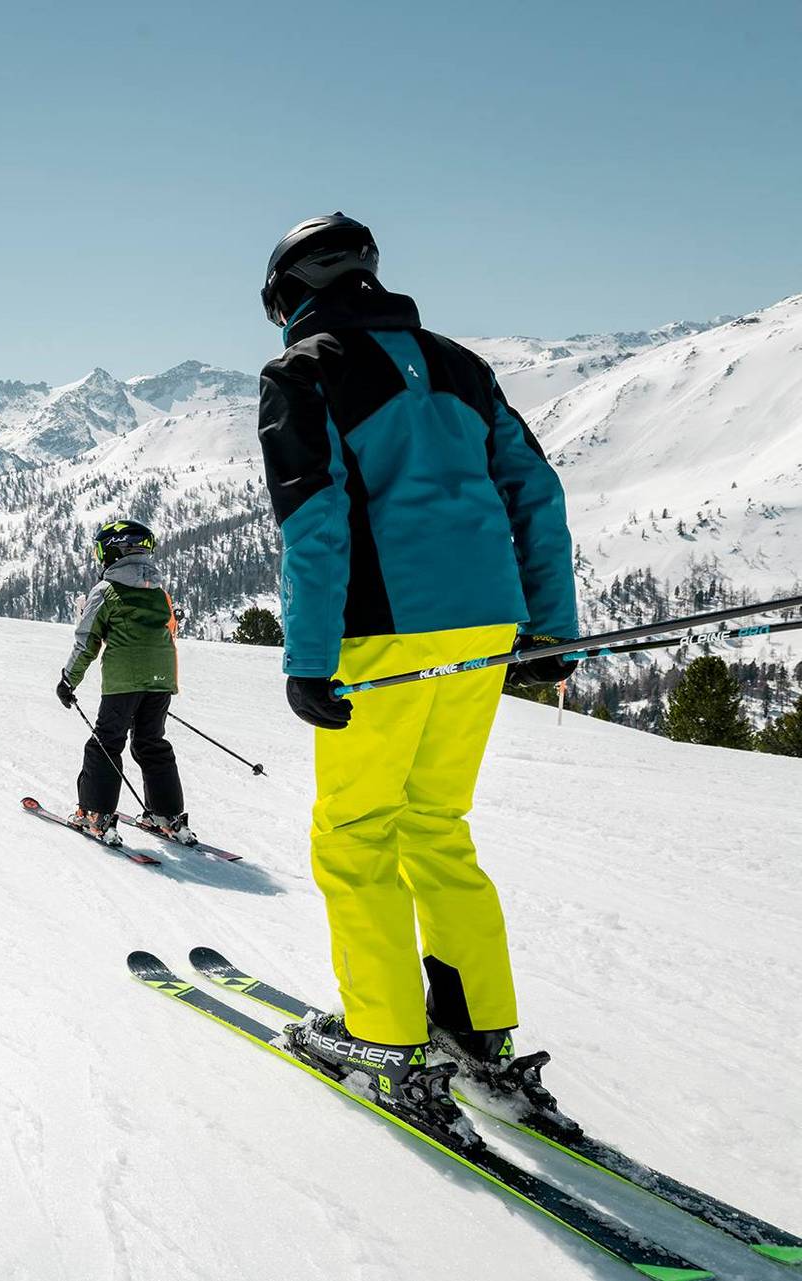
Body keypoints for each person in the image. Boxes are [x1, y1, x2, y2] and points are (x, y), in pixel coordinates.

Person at [256, 213, 578, 1128]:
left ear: (289, 294)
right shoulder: (463, 366)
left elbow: (314, 519)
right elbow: (536, 492)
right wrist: (550, 629)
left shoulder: (302, 370)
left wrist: (309, 657)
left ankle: (386, 1041)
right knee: (436, 824)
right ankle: (478, 1032)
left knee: (356, 834)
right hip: (487, 623)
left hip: (384, 633)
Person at [55, 519, 192, 847]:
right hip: (161, 681)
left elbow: (87, 641)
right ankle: (167, 815)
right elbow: (169, 632)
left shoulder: (105, 591)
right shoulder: (159, 593)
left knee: (106, 742)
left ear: (111, 552)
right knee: (151, 742)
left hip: (124, 683)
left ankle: (96, 813)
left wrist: (68, 680)